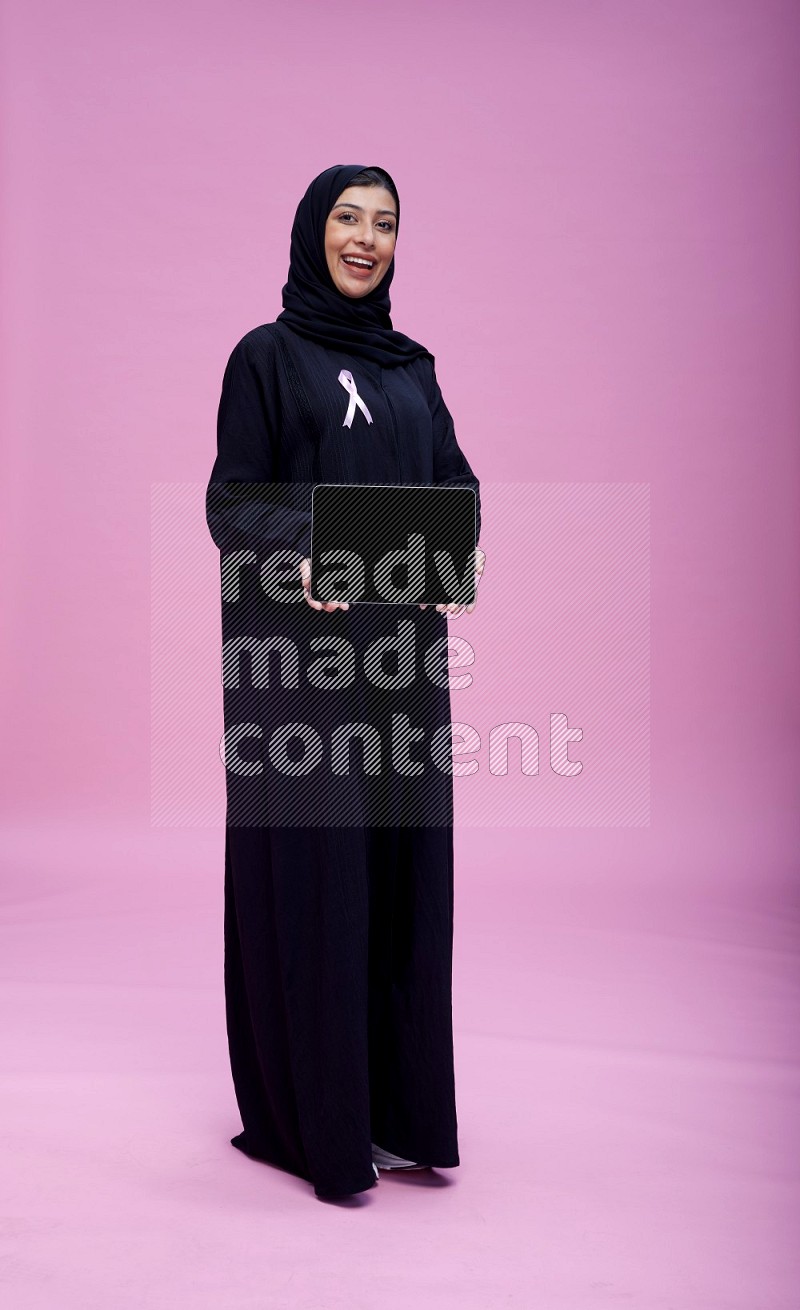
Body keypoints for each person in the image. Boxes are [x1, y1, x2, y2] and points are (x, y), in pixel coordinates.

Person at [205, 163, 485, 1200]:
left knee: (404, 874)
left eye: (384, 223)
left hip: (401, 662)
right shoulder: (265, 358)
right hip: (302, 672)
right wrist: (309, 552)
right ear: (311, 231)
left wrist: (454, 559)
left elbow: (452, 485)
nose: (365, 238)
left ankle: (398, 1110)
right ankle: (311, 1122)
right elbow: (232, 505)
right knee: (321, 880)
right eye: (347, 218)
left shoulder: (413, 369)